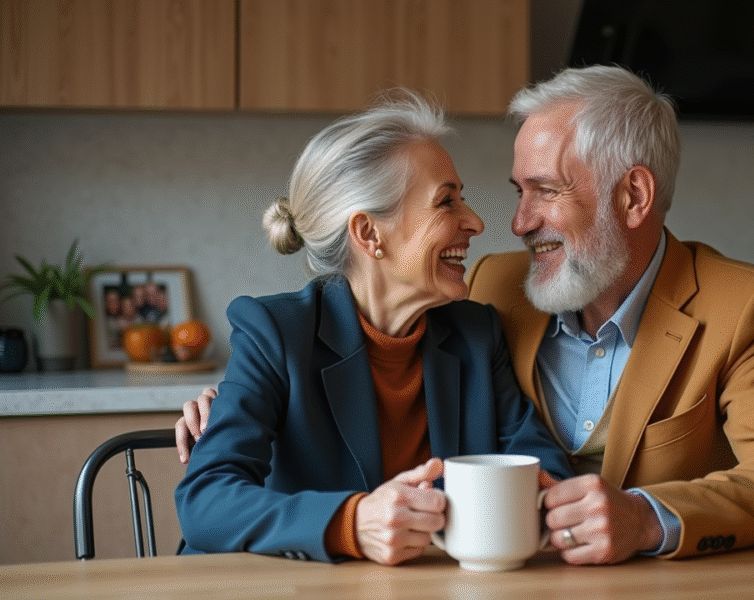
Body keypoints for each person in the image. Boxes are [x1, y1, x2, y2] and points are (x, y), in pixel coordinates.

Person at [177, 65, 754, 564]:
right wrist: (237, 402)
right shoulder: (488, 290)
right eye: (454, 202)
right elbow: (213, 492)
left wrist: (643, 518)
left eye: (545, 191)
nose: (506, 224)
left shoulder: (472, 320)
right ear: (369, 235)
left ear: (633, 195)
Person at [173, 92, 574, 566]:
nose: (475, 222)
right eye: (447, 202)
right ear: (368, 234)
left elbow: (541, 467)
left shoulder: (476, 334)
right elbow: (205, 500)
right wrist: (351, 522)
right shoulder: (277, 333)